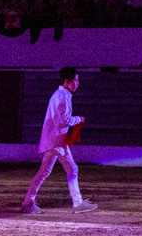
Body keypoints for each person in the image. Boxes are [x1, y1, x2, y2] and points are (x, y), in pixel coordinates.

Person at [21, 67, 96, 214]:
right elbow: (64, 120)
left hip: (56, 139)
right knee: (63, 170)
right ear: (67, 82)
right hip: (56, 140)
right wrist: (79, 119)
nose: (78, 83)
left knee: (54, 171)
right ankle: (76, 202)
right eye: (76, 80)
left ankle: (29, 202)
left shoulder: (60, 95)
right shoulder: (63, 96)